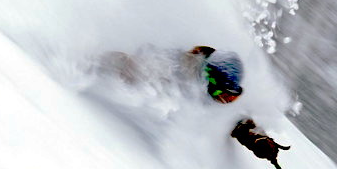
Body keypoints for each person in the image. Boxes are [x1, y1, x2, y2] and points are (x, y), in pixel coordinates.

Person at [98, 45, 244, 104]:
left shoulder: (197, 91)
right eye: (219, 92)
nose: (220, 100)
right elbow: (130, 67)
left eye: (228, 97)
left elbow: (237, 122)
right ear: (208, 76)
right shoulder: (170, 64)